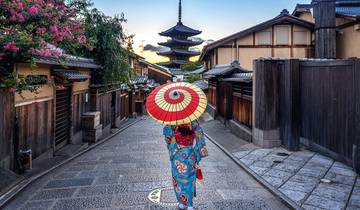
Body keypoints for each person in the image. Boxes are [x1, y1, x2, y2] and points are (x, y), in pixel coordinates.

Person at [163, 121, 208, 210]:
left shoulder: (172, 122)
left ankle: (182, 203)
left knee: (178, 179)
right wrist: (196, 152)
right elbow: (200, 139)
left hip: (177, 155)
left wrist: (174, 147)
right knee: (190, 179)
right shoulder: (193, 122)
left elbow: (168, 139)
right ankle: (190, 205)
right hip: (190, 154)